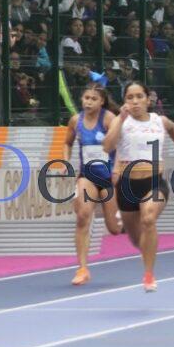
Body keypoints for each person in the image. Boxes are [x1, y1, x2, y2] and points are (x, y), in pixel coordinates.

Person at [102, 80, 174, 292]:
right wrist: (119, 120)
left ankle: (149, 274)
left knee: (149, 218)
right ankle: (148, 254)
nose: (135, 102)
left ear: (147, 99)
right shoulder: (120, 121)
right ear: (125, 101)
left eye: (139, 97)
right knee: (137, 241)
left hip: (154, 182)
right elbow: (107, 146)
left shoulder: (159, 121)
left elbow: (173, 128)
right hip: (127, 187)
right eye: (130, 98)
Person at [64, 84, 123, 286]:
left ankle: (127, 216)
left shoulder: (109, 119)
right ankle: (82, 269)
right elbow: (67, 143)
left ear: (102, 102)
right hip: (87, 177)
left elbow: (121, 145)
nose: (88, 102)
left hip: (108, 178)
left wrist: (117, 169)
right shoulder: (76, 120)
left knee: (114, 229)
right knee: (82, 216)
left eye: (93, 99)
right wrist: (65, 161)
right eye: (86, 98)